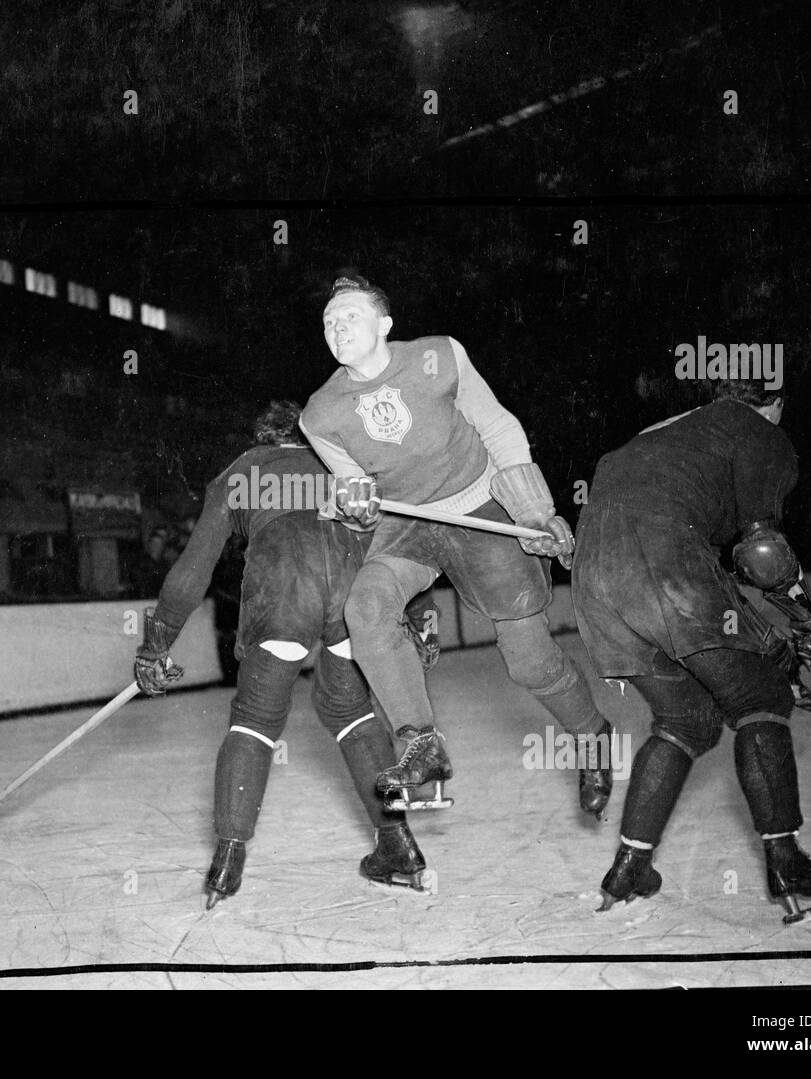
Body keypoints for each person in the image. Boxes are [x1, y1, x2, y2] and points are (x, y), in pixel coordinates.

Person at [298, 275, 613, 817]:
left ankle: (592, 737)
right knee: (366, 607)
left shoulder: (438, 356)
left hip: (482, 506)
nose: (337, 327)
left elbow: (495, 422)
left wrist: (534, 511)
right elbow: (356, 486)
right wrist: (355, 503)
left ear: (385, 325)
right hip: (408, 522)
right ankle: (420, 742)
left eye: (349, 315)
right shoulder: (319, 414)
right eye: (329, 321)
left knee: (529, 663)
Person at [133, 401, 432, 908]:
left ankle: (227, 863)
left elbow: (193, 568)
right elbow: (402, 543)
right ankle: (398, 845)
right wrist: (420, 620)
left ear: (262, 438)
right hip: (352, 591)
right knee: (350, 712)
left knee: (254, 721)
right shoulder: (343, 465)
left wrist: (156, 642)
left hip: (281, 587)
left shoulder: (240, 472)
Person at [571, 377, 811, 923]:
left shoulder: (671, 431)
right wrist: (809, 621)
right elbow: (762, 551)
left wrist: (771, 652)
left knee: (687, 720)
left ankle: (631, 866)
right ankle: (787, 862)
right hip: (665, 567)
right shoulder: (761, 432)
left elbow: (715, 572)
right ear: (777, 404)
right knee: (759, 700)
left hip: (594, 585)